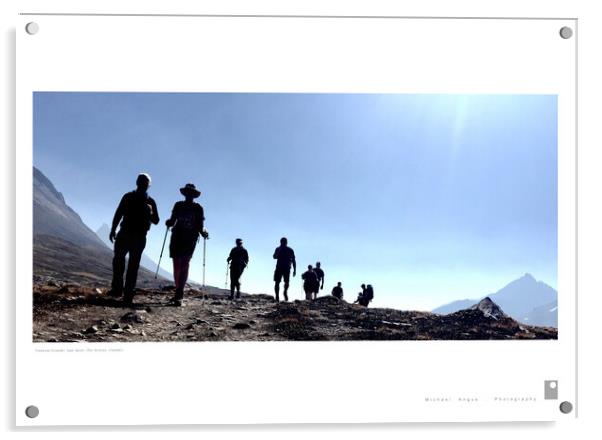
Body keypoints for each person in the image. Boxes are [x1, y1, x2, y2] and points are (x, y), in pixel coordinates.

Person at [107, 173, 159, 306]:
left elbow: (156, 220)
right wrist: (113, 229)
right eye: (142, 181)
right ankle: (119, 290)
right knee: (120, 262)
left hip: (137, 236)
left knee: (130, 265)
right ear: (137, 182)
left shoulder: (149, 201)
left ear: (149, 185)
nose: (143, 184)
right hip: (126, 233)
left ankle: (127, 293)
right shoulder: (129, 197)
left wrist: (150, 211)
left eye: (145, 182)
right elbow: (119, 213)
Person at [165, 183, 208, 306]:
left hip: (190, 239)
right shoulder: (178, 205)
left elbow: (200, 225)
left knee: (184, 263)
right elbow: (172, 221)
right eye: (188, 193)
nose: (189, 195)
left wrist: (204, 231)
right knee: (177, 265)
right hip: (177, 237)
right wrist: (168, 222)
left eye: (191, 193)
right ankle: (178, 290)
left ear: (194, 195)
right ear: (185, 194)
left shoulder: (198, 208)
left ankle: (179, 293)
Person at [273, 237, 296, 302]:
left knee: (286, 282)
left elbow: (294, 260)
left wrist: (294, 270)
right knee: (277, 282)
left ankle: (284, 292)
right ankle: (277, 296)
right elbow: (274, 257)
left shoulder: (290, 250)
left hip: (286, 268)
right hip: (280, 267)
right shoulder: (278, 249)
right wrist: (294, 270)